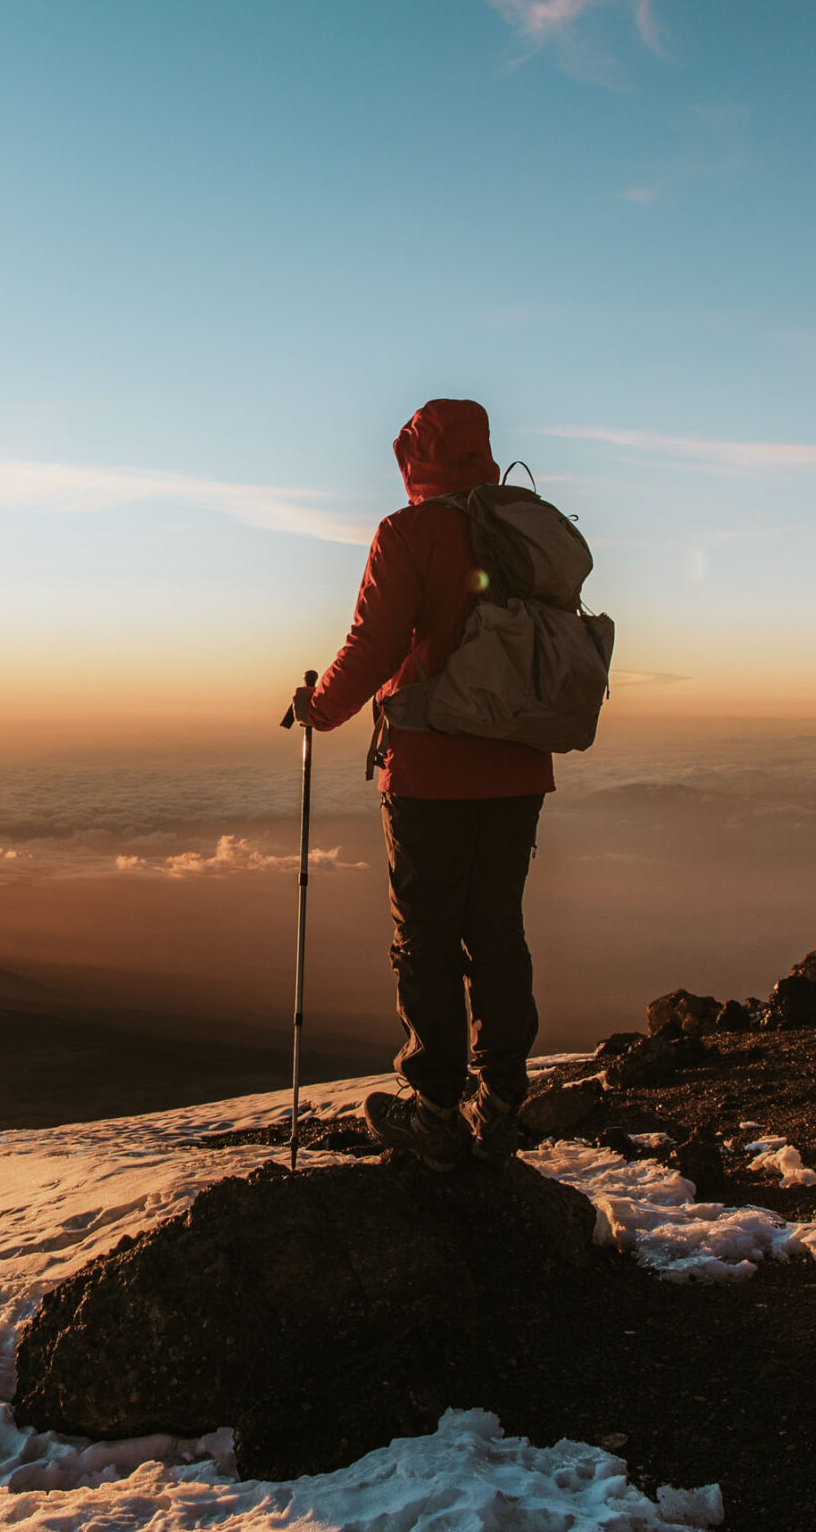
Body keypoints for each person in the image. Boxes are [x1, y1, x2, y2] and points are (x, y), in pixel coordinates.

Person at [289, 398, 554, 1171]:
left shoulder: (408, 533)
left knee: (428, 937)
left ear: (415, 457)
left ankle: (436, 1106)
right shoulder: (520, 524)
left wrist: (321, 708)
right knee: (498, 927)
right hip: (517, 761)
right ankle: (503, 1095)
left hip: (432, 769)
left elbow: (373, 643)